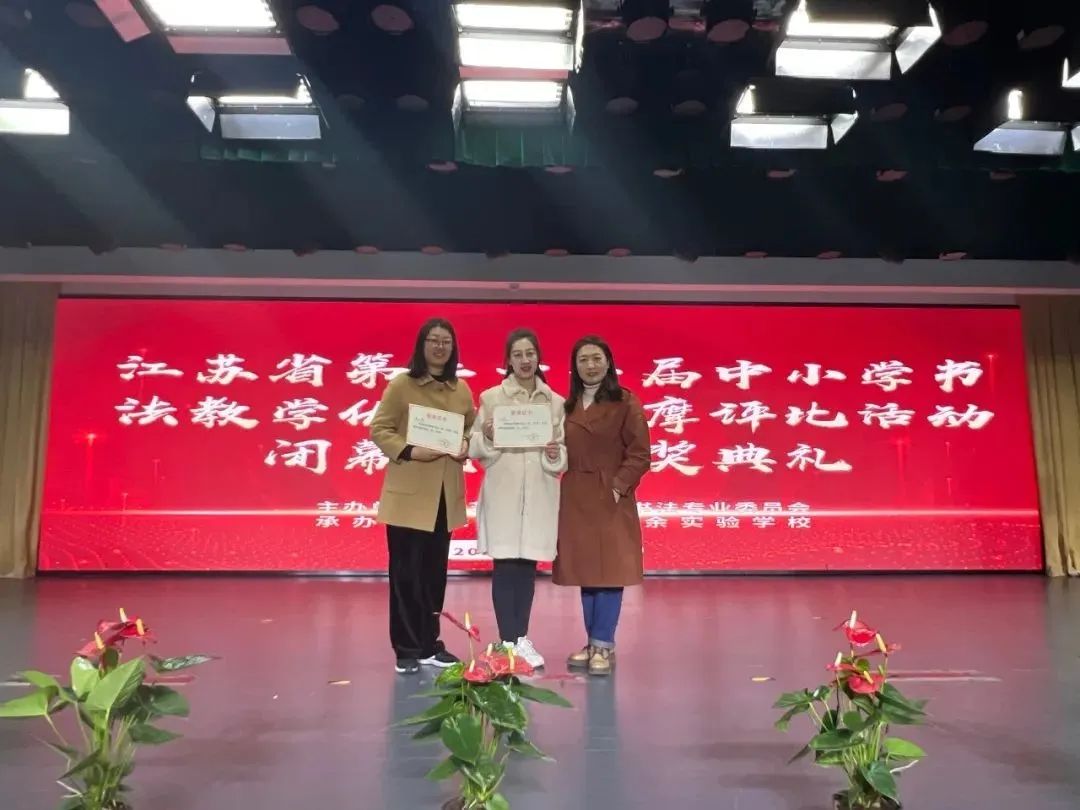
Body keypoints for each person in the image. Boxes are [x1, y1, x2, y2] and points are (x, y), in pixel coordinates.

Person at [370, 318, 476, 675]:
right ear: (422, 345)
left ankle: (430, 644)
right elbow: (380, 428)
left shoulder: (460, 389)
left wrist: (466, 443)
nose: (440, 346)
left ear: (453, 348)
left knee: (434, 575)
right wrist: (411, 450)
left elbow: (471, 427)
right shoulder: (402, 385)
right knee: (405, 576)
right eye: (434, 340)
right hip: (409, 495)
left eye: (446, 341)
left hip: (445, 494)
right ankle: (406, 648)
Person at [553, 335, 650, 677]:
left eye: (596, 358)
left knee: (610, 570)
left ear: (608, 363)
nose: (590, 365)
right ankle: (593, 642)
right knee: (587, 571)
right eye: (583, 360)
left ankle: (603, 643)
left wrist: (618, 486)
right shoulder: (567, 406)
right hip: (576, 494)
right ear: (574, 367)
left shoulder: (625, 401)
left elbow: (640, 454)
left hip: (611, 494)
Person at [470, 328, 566, 668]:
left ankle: (519, 638)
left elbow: (562, 455)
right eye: (517, 355)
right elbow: (474, 449)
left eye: (530, 354)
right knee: (505, 565)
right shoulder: (491, 398)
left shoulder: (555, 402)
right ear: (508, 360)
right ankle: (508, 640)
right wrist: (487, 435)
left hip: (539, 492)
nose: (525, 360)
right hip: (503, 492)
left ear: (538, 358)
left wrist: (554, 454)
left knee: (527, 567)